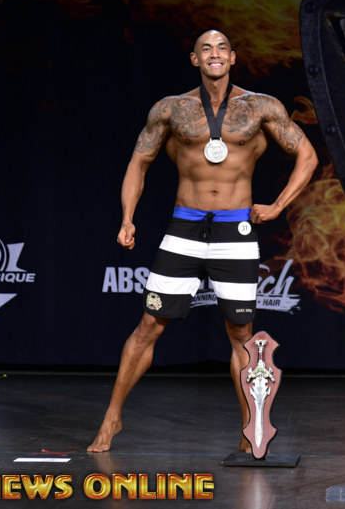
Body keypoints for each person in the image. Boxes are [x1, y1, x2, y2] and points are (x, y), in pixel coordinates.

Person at [88, 30, 318, 453]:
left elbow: (308, 155)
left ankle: (249, 429)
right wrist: (127, 218)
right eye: (206, 49)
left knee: (241, 333)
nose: (215, 54)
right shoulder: (171, 109)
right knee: (149, 325)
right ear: (195, 59)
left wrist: (278, 205)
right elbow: (139, 162)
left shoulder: (261, 106)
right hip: (184, 228)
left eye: (222, 48)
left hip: (236, 232)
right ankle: (112, 417)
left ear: (233, 57)